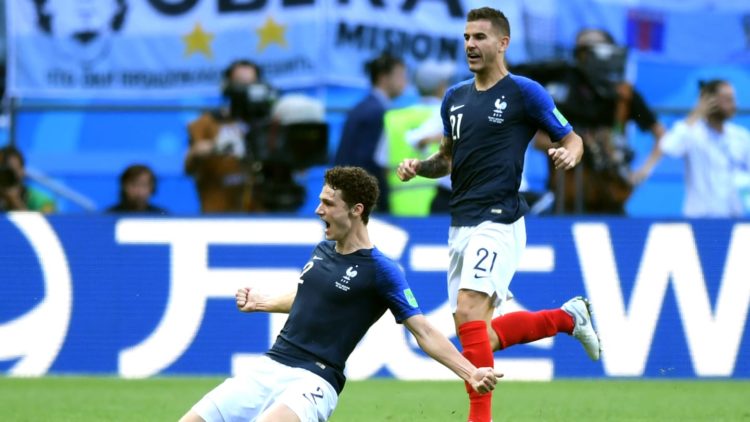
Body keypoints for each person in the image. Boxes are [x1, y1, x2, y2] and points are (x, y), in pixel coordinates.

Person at [396, 8, 601, 422]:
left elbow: (572, 137)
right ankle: (568, 318)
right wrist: (421, 167)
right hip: (461, 223)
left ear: (502, 43)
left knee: (469, 311)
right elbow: (447, 160)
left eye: (480, 37)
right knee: (478, 335)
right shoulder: (454, 98)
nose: (470, 44)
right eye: (467, 37)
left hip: (500, 219)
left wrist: (569, 155)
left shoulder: (524, 92)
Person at [179, 166, 502, 422]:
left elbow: (425, 330)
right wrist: (264, 302)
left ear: (356, 210)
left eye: (328, 203)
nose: (318, 210)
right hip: (271, 364)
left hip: (315, 379)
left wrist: (470, 372)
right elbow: (312, 298)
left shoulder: (382, 270)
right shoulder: (323, 249)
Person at [514, 28, 665, 214]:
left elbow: (661, 135)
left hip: (611, 194)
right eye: (583, 49)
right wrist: (575, 147)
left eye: (595, 47)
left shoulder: (623, 94)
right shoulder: (561, 86)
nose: (590, 55)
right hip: (566, 196)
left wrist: (642, 171)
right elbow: (538, 140)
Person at [184, 59, 271, 213]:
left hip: (260, 215)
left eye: (251, 84)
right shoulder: (206, 122)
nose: (245, 90)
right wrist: (211, 148)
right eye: (239, 83)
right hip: (217, 213)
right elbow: (188, 167)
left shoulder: (270, 122)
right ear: (227, 85)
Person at [659, 79, 750, 217]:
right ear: (710, 101)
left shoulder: (741, 136)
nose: (733, 105)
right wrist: (696, 114)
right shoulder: (692, 133)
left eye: (733, 99)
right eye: (727, 99)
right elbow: (668, 147)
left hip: (733, 218)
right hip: (699, 219)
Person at [334, 52, 407, 213]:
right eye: (400, 75)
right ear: (383, 77)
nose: (405, 81)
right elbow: (368, 162)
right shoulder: (377, 112)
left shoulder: (363, 107)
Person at [382, 59, 456, 215]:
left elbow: (383, 167)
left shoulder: (393, 118)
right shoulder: (452, 115)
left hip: (399, 207)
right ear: (441, 86)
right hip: (440, 205)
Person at [0, 145, 56, 213]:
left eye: (11, 172)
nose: (6, 177)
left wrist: (15, 201)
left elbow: (46, 223)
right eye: (2, 172)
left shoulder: (43, 202)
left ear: (22, 171)